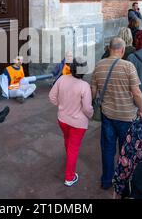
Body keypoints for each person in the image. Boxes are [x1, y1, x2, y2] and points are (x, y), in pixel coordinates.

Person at [91, 37, 142, 190]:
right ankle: (124, 182)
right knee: (126, 151)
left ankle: (106, 180)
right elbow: (137, 93)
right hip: (127, 117)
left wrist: (91, 103)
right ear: (122, 50)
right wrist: (141, 109)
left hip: (107, 115)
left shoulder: (99, 65)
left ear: (109, 48)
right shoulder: (128, 66)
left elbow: (93, 90)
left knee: (107, 149)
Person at [49, 58, 93, 187]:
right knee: (74, 149)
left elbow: (51, 96)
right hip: (78, 123)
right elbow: (87, 108)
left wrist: (60, 105)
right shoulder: (84, 86)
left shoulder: (62, 79)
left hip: (62, 119)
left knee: (68, 140)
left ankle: (69, 158)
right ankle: (69, 177)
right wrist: (90, 115)